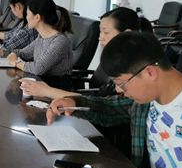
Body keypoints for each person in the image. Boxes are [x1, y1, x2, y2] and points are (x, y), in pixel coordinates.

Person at [47, 32, 182, 168]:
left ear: (150, 73)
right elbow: (108, 108)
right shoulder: (146, 102)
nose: (119, 90)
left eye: (121, 83)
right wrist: (74, 103)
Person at [21, 7, 153, 99]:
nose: (100, 37)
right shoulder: (114, 59)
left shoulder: (134, 72)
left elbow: (102, 105)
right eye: (100, 32)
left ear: (126, 34)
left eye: (106, 32)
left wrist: (48, 91)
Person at [6, 0, 73, 78]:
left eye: (27, 14)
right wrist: (13, 54)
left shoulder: (60, 41)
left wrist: (16, 63)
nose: (26, 17)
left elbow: (38, 68)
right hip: (39, 81)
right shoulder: (41, 37)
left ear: (37, 17)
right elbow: (23, 53)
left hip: (54, 84)